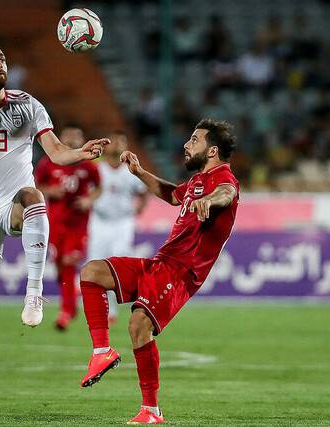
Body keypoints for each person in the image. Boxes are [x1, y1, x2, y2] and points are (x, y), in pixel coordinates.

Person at [0, 38, 108, 417]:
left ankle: (35, 292)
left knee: (33, 196)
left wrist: (82, 152)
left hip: (13, 201)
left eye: (2, 58)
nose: (0, 63)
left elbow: (57, 151)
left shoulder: (28, 104)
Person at [78, 119, 239, 424]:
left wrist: (209, 200)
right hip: (160, 263)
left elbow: (227, 194)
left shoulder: (223, 179)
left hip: (181, 272)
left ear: (213, 150)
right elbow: (171, 194)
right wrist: (139, 173)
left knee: (139, 325)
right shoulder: (195, 182)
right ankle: (101, 351)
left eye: (194, 139)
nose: (186, 144)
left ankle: (150, 410)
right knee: (92, 271)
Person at [35, 125, 101, 331]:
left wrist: (89, 200)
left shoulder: (88, 166)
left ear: (81, 139)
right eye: (68, 136)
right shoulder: (48, 163)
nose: (72, 140)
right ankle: (71, 298)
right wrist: (49, 190)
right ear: (60, 138)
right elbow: (36, 185)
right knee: (60, 268)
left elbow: (99, 187)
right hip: (54, 223)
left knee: (69, 262)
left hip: (77, 224)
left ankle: (65, 312)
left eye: (76, 136)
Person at [86, 131, 148, 325]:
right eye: (113, 142)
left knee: (117, 263)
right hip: (99, 220)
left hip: (123, 222)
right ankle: (99, 308)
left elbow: (144, 191)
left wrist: (140, 207)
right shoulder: (96, 168)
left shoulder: (131, 170)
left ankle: (112, 308)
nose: (116, 145)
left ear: (125, 145)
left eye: (121, 141)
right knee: (95, 264)